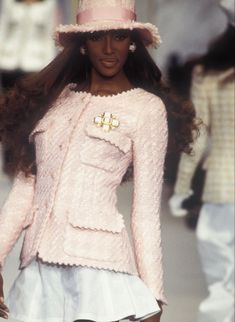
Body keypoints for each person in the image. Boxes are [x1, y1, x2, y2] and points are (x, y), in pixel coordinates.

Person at [0, 1, 196, 321]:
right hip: (39, 270)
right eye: (96, 37)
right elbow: (24, 192)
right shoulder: (54, 101)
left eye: (118, 36)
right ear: (81, 45)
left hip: (99, 267)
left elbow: (145, 212)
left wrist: (154, 296)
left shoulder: (146, 109)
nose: (108, 48)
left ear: (132, 42)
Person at [169, 3, 235, 321]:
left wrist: (182, 188)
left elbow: (198, 138)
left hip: (223, 186)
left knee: (222, 283)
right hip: (221, 189)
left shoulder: (208, 74)